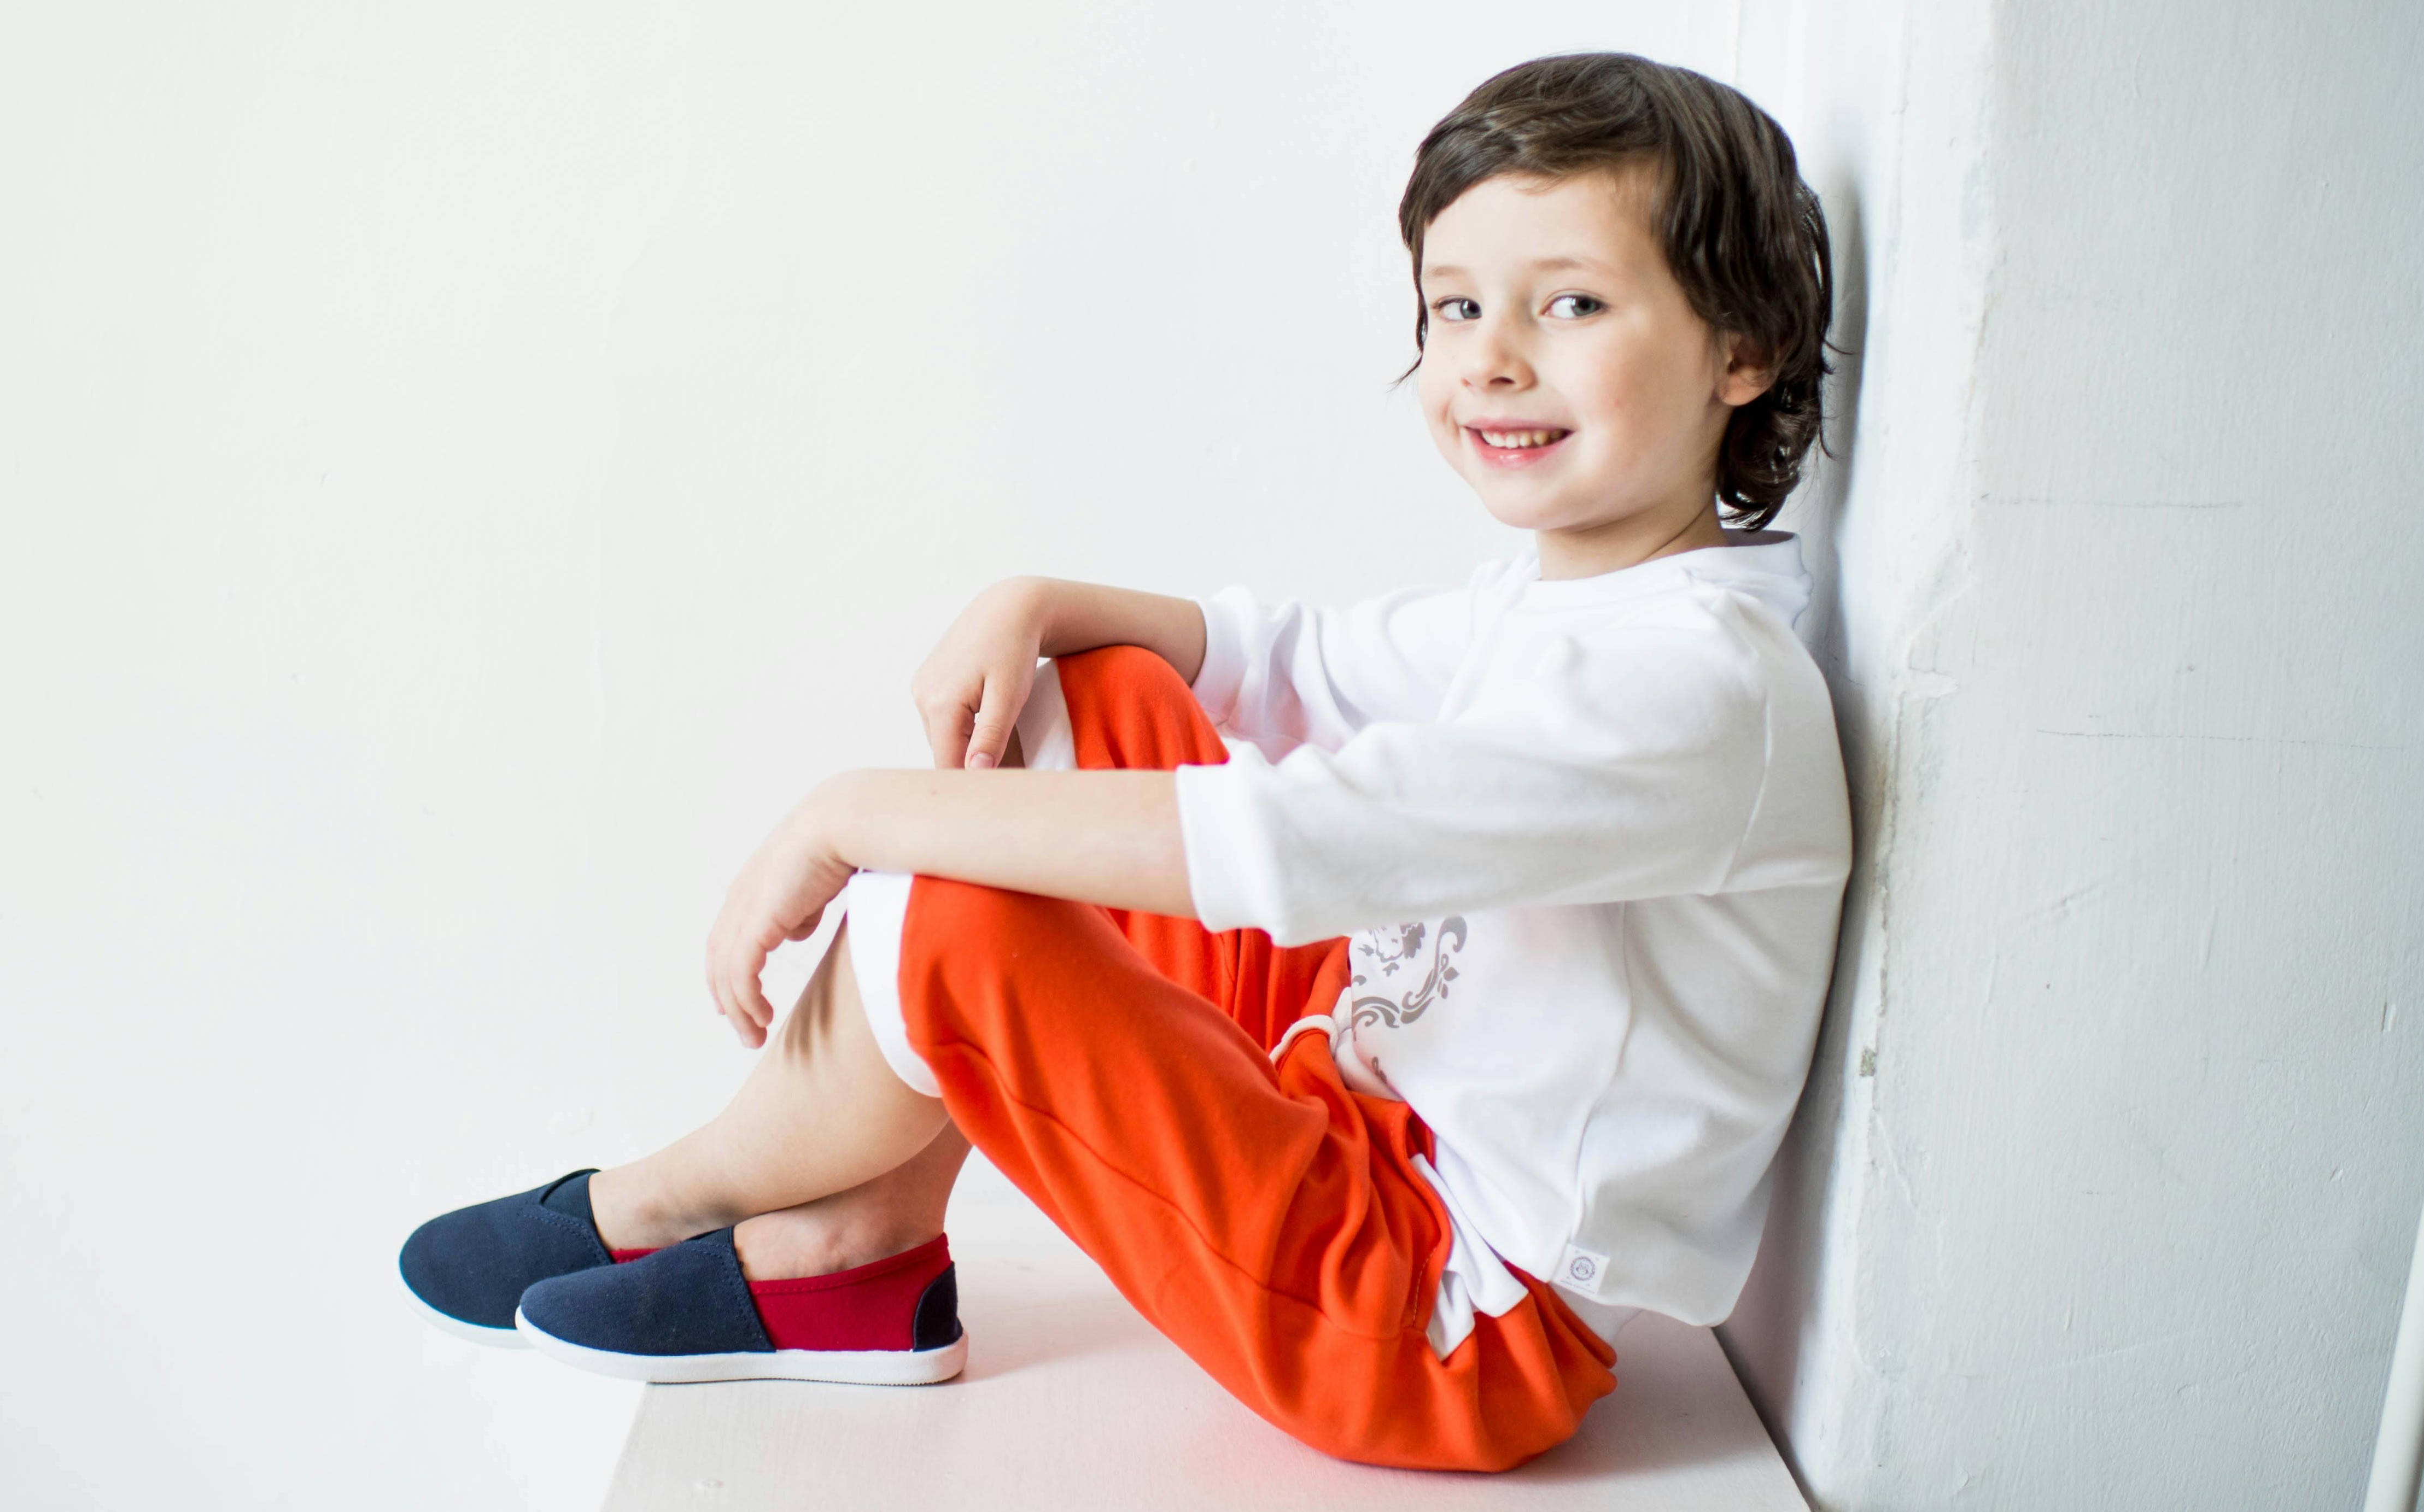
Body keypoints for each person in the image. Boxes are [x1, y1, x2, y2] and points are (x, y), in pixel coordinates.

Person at [396, 50, 1850, 1473]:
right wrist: (1041, 602)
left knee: (957, 898)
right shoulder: (1565, 608)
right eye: (1455, 304)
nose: (1488, 357)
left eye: (1571, 304)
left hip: (1440, 1320)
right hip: (1346, 1087)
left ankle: (679, 1196)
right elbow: (1290, 665)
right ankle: (860, 1246)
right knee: (1096, 699)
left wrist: (853, 817)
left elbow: (1289, 844)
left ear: (1742, 348)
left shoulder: (1695, 690)